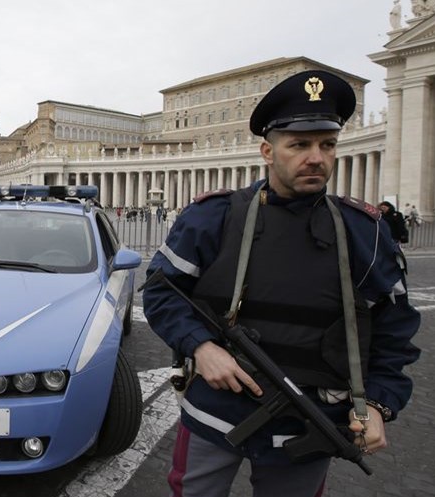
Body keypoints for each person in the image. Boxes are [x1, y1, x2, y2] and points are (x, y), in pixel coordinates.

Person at [142, 71, 420, 497]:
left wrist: (379, 405)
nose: (316, 157)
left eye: (327, 144)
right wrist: (201, 346)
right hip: (215, 410)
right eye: (299, 145)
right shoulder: (212, 218)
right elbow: (161, 292)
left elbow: (393, 328)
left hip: (310, 420)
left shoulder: (364, 231)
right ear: (267, 152)